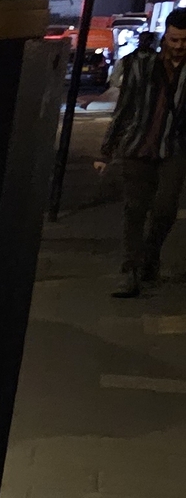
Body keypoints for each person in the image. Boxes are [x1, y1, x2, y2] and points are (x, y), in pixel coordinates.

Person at [99, 16, 186, 295]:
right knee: (134, 210)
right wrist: (107, 149)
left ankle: (150, 255)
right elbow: (124, 107)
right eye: (174, 40)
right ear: (165, 38)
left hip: (173, 148)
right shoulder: (142, 65)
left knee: (165, 209)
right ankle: (130, 272)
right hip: (137, 145)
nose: (179, 46)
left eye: (185, 41)